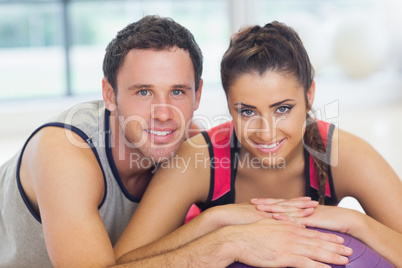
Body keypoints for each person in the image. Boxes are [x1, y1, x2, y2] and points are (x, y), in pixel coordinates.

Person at [114, 21, 402, 267]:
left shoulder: (342, 153)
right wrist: (216, 223)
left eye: (283, 109)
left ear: (309, 95)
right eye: (247, 111)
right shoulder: (200, 159)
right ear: (228, 105)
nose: (266, 133)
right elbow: (124, 261)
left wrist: (353, 221)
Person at [0, 15, 204, 267]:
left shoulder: (192, 142)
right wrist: (220, 245)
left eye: (177, 92)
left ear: (197, 95)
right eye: (144, 92)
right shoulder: (64, 153)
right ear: (110, 95)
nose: (163, 114)